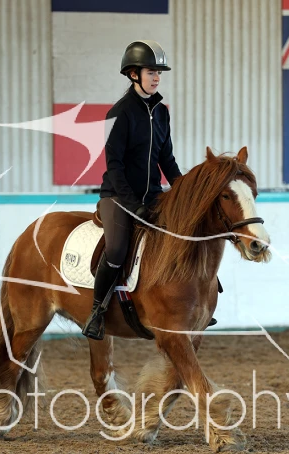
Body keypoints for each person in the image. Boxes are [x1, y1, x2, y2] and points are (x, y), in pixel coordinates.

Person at [81, 39, 183, 340]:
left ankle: (191, 303)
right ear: (133, 74)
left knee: (183, 235)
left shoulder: (162, 112)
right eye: (151, 72)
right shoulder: (119, 113)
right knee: (116, 250)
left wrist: (183, 191)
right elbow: (114, 166)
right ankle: (97, 312)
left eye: (159, 72)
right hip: (117, 197)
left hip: (153, 196)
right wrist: (131, 203)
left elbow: (167, 159)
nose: (157, 77)